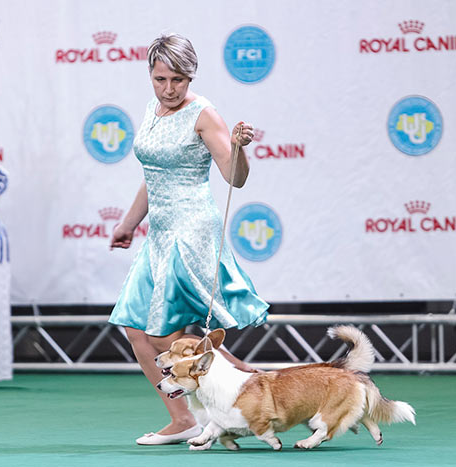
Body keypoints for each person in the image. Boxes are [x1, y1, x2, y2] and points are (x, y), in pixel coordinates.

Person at [108, 33, 269, 446]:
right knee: (135, 329)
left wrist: (240, 148)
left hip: (191, 230)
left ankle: (251, 381)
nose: (168, 89)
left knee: (162, 335)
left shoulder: (203, 114)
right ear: (150, 75)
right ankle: (183, 420)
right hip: (159, 233)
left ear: (191, 76)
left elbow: (234, 178)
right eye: (160, 79)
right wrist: (128, 223)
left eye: (177, 80)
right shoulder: (153, 109)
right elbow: (153, 177)